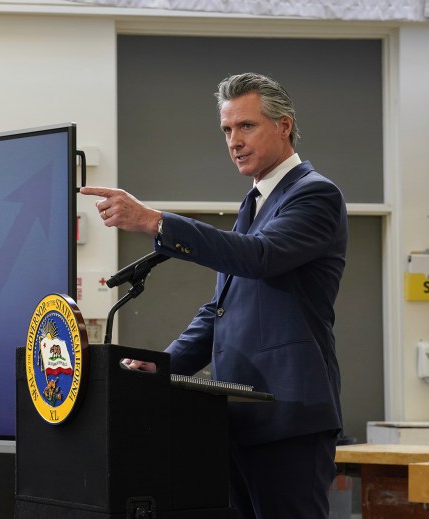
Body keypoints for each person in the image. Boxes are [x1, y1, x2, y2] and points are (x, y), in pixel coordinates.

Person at [80, 72, 347, 519]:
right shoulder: (254, 204)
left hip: (288, 412)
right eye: (227, 130)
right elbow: (220, 310)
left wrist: (156, 221)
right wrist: (164, 364)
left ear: (284, 126)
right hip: (237, 414)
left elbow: (258, 257)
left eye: (246, 126)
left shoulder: (315, 194)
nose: (234, 141)